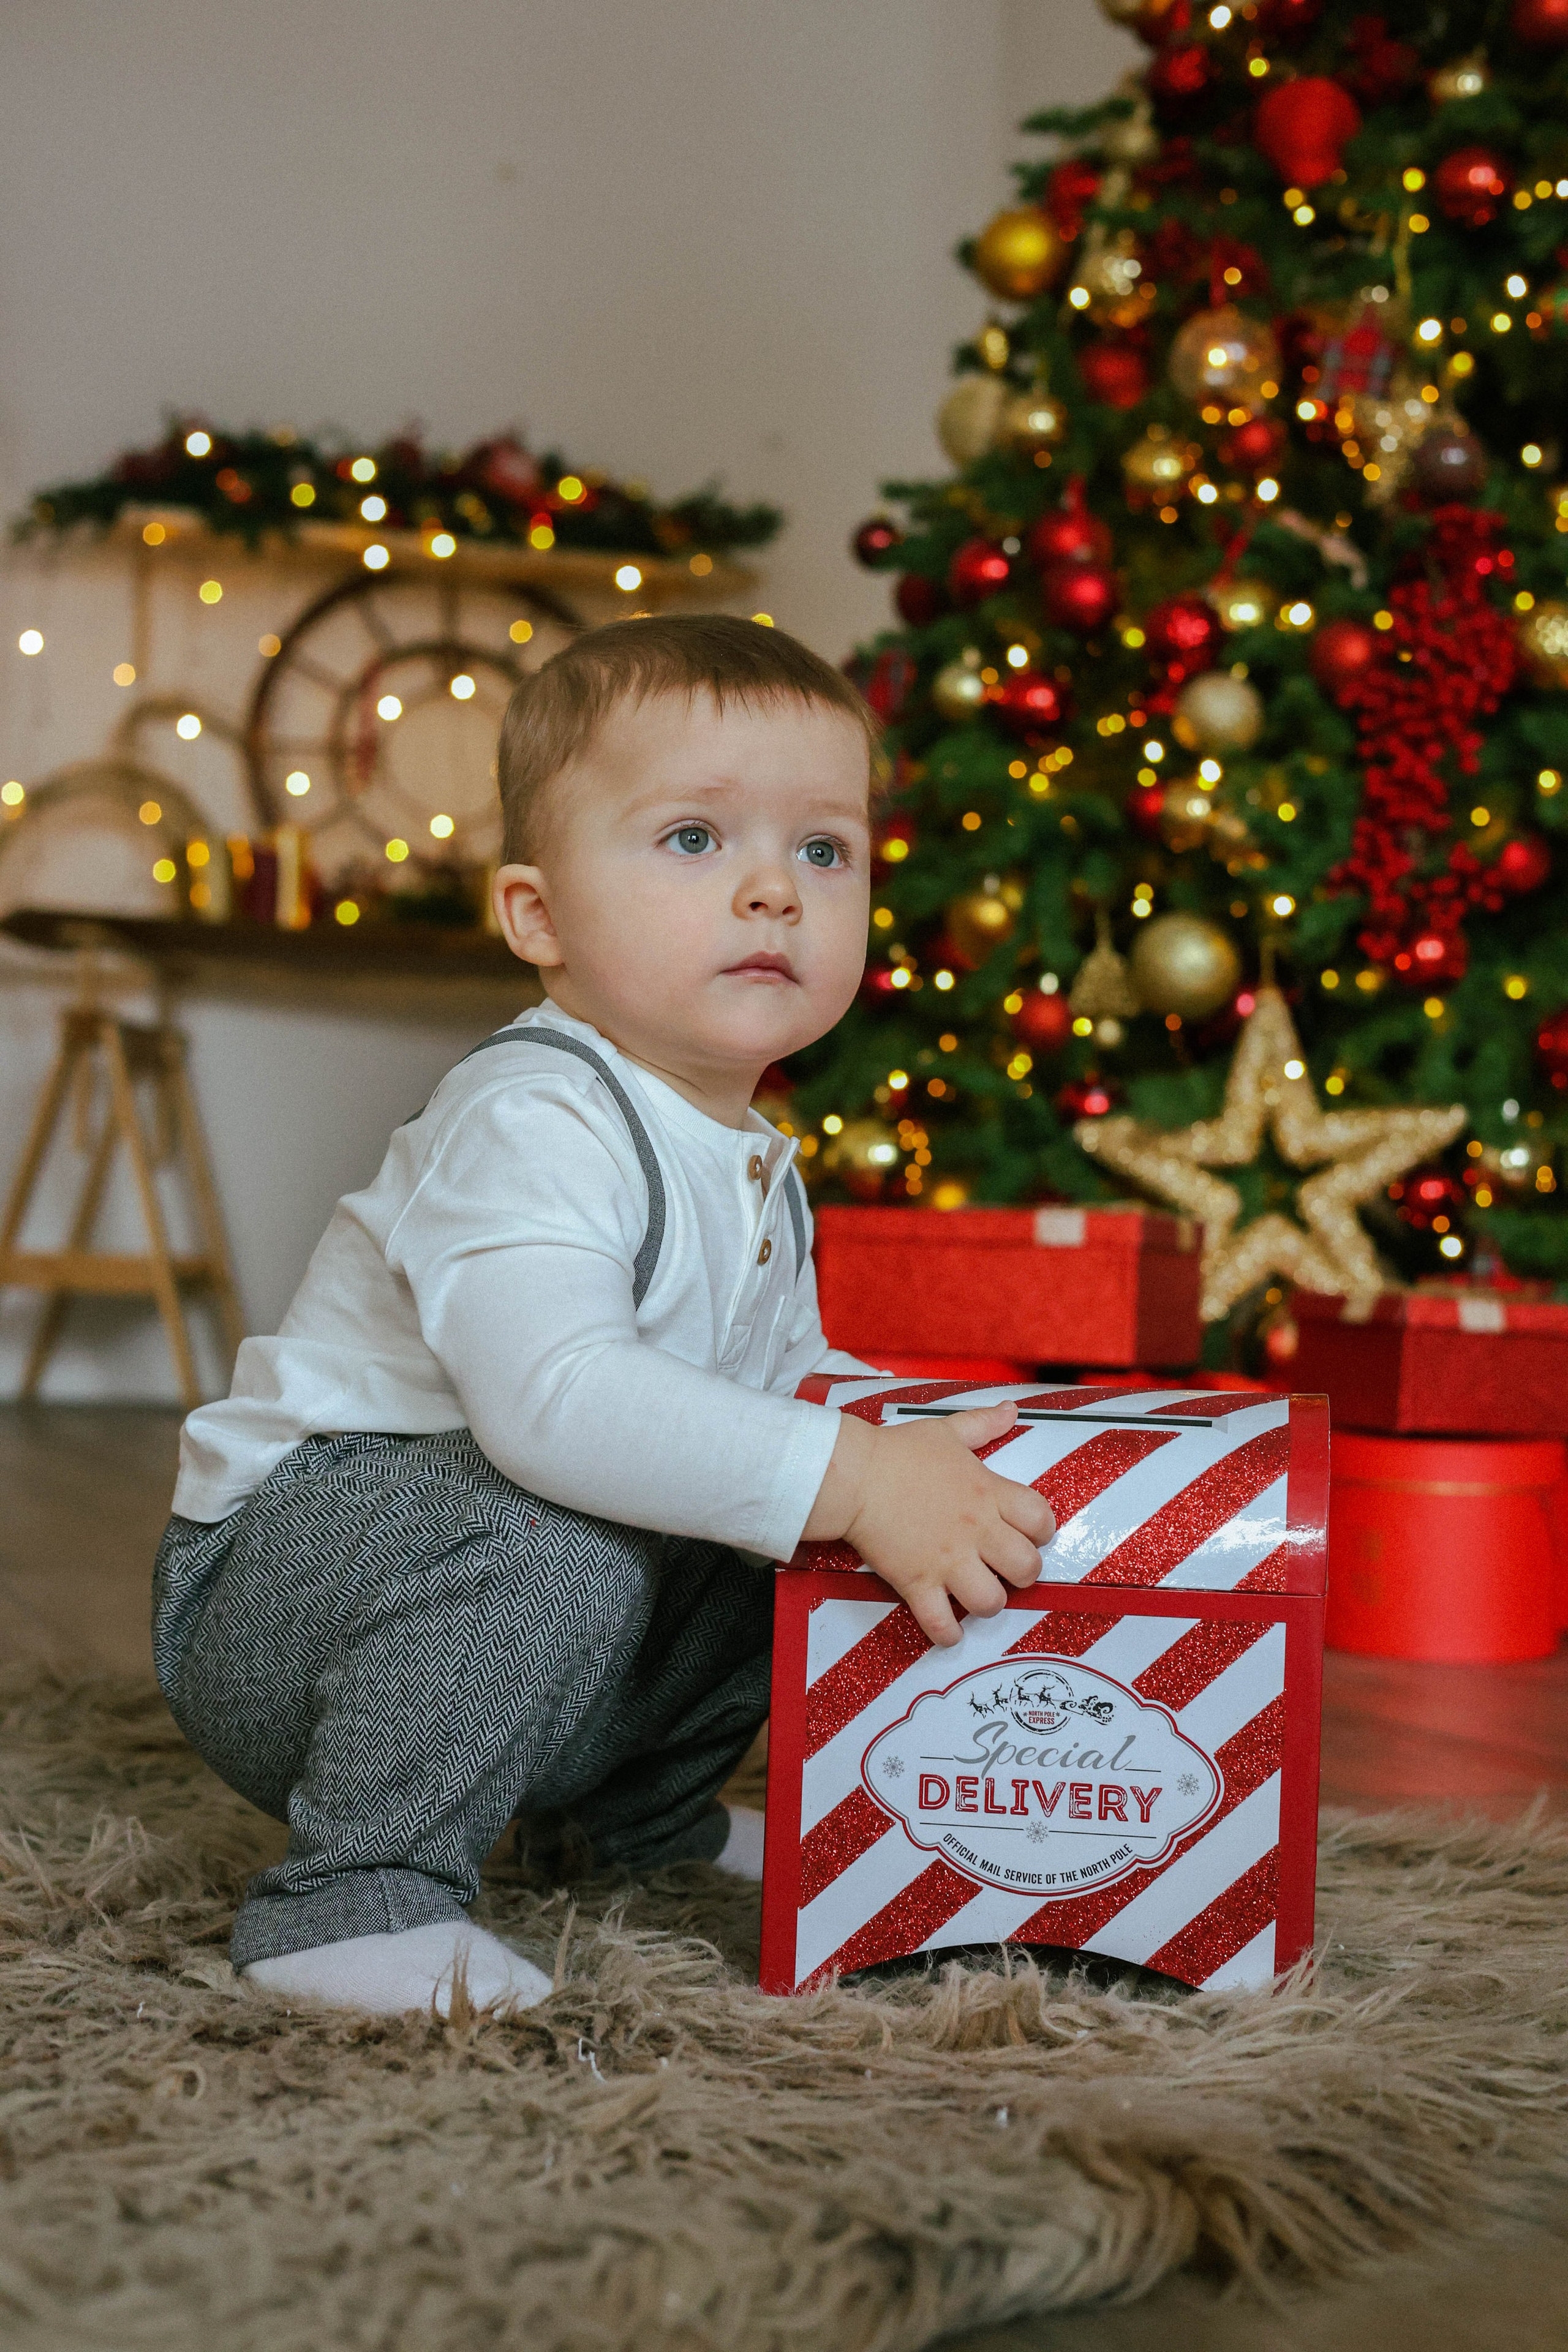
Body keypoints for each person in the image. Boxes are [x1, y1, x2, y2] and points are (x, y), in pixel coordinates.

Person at [151, 614, 1056, 2019]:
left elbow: (773, 1378)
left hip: (464, 1576)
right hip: (286, 1593)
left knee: (775, 1514)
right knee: (572, 1510)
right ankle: (346, 1899)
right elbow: (555, 1403)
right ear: (539, 917)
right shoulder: (532, 1114)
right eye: (693, 839)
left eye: (821, 851)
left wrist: (902, 1443)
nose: (773, 891)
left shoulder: (749, 1151)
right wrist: (852, 1473)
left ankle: (627, 1832)